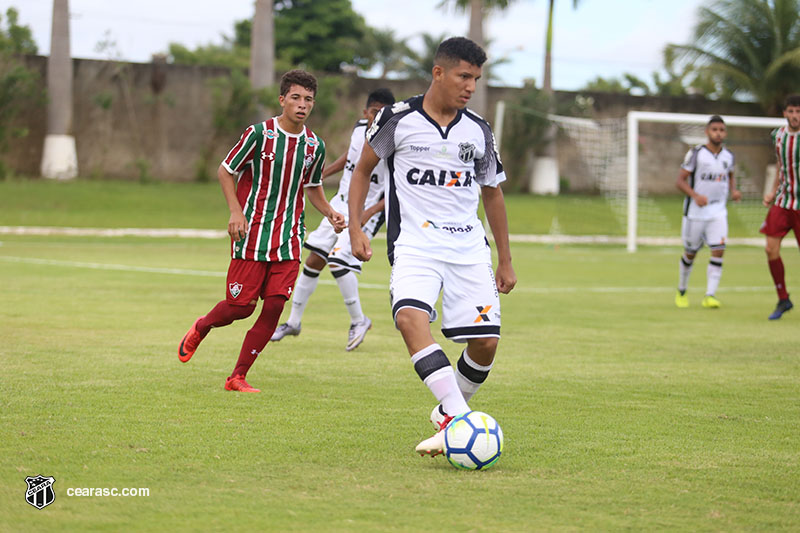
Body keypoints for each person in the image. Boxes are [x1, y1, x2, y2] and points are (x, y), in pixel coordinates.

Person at [348, 37, 516, 457]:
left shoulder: (478, 130)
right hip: (416, 245)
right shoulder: (396, 119)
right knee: (409, 318)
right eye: (464, 76)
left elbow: (492, 193)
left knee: (486, 344)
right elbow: (362, 171)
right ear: (438, 73)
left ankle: (446, 416)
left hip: (468, 250)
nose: (470, 86)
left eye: (476, 78)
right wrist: (356, 227)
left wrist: (505, 260)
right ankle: (461, 420)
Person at [178, 69, 346, 392]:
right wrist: (235, 212)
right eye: (295, 98)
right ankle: (202, 327)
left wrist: (330, 212)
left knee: (273, 306)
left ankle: (237, 377)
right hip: (252, 233)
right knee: (240, 306)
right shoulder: (259, 134)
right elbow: (226, 171)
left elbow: (311, 187)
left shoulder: (314, 146)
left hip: (289, 238)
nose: (302, 105)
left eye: (308, 99)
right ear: (282, 100)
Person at [271, 89, 396, 351]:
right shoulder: (359, 128)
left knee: (339, 262)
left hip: (368, 209)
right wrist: (320, 174)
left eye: (384, 112)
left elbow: (400, 189)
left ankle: (359, 320)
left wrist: (369, 214)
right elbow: (349, 160)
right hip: (340, 203)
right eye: (375, 111)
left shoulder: (396, 139)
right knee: (315, 259)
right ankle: (293, 322)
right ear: (366, 113)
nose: (378, 117)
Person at [674, 115, 741, 309]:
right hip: (695, 212)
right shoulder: (696, 154)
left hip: (718, 211)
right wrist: (695, 196)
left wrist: (733, 191)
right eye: (714, 129)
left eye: (721, 130)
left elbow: (730, 177)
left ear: (725, 133)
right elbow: (679, 181)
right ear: (707, 132)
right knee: (690, 253)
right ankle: (682, 290)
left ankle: (710, 295)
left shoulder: (728, 156)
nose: (718, 133)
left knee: (718, 250)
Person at [761, 94, 800, 320]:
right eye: (791, 111)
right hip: (783, 201)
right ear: (784, 113)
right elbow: (780, 165)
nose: (795, 116)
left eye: (798, 111)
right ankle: (783, 298)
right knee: (770, 248)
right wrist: (773, 190)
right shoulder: (778, 136)